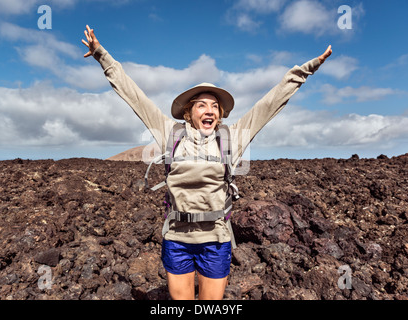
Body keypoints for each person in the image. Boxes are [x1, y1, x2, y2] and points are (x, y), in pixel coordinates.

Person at [82, 25, 332, 300]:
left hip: (216, 240)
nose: (209, 110)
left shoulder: (230, 138)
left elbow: (268, 105)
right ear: (188, 113)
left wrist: (306, 70)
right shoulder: (171, 134)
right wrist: (101, 56)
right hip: (177, 238)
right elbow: (135, 96)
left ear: (220, 114)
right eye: (201, 105)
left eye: (215, 106)